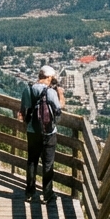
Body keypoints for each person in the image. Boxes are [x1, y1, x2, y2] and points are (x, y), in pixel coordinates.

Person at [18, 65, 65, 203]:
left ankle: (30, 192)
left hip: (32, 131)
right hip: (49, 132)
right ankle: (47, 194)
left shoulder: (28, 89)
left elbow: (23, 110)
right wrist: (60, 93)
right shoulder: (49, 92)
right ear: (48, 77)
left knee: (32, 161)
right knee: (48, 163)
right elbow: (59, 107)